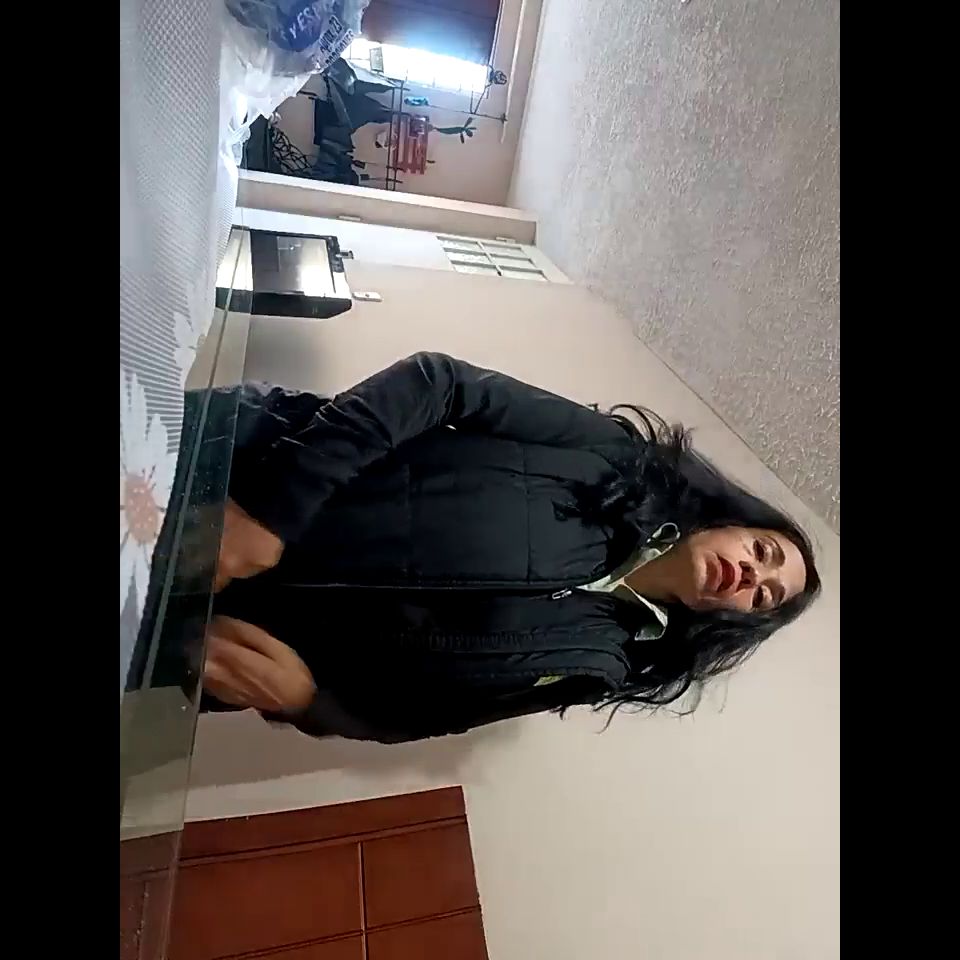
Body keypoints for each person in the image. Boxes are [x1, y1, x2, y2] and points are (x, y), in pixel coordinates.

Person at [202, 353, 820, 743]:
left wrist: (313, 704)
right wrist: (269, 512)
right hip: (231, 473)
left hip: (216, 641)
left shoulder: (602, 666)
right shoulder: (612, 456)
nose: (751, 576)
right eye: (763, 552)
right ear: (735, 521)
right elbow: (439, 382)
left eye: (763, 598)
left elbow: (434, 716)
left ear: (733, 620)